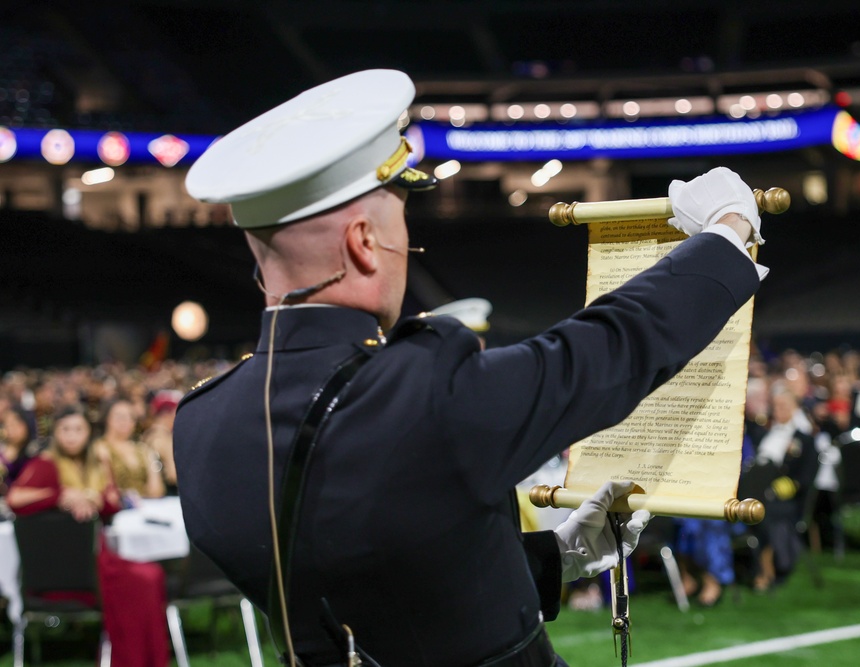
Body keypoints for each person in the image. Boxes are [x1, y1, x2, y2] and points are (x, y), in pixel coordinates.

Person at [174, 69, 766, 667]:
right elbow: (605, 350)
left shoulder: (198, 425)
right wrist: (725, 234)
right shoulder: (421, 386)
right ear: (363, 243)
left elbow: (379, 587)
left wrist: (554, 557)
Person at [8, 406, 170, 667]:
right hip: (63, 567)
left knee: (150, 576)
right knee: (144, 579)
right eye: (65, 430)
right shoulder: (45, 465)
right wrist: (59, 496)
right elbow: (15, 498)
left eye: (78, 430)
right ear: (56, 434)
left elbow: (112, 503)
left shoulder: (95, 463)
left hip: (96, 558)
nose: (71, 436)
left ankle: (142, 658)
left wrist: (93, 499)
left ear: (88, 433)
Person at [747, 384, 818, 591]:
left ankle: (767, 567)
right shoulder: (763, 434)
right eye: (776, 406)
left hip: (786, 500)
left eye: (784, 405)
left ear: (795, 407)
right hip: (756, 491)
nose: (779, 410)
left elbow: (804, 479)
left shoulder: (803, 440)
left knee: (764, 512)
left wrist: (775, 490)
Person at [94, 399, 165, 503]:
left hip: (147, 505)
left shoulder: (143, 449)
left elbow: (157, 490)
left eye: (130, 417)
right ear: (107, 419)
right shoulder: (99, 447)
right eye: (120, 416)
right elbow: (107, 489)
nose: (125, 421)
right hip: (116, 508)